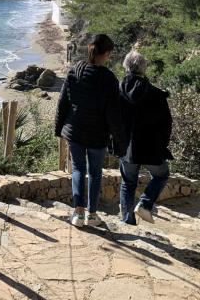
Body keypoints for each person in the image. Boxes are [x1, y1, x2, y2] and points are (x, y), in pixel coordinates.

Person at [55, 34, 126, 227]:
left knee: (78, 168)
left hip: (75, 131)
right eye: (109, 54)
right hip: (97, 135)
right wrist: (120, 141)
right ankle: (92, 215)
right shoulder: (109, 79)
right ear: (106, 54)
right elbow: (113, 114)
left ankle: (78, 213)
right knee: (95, 173)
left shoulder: (74, 71)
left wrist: (58, 128)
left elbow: (63, 103)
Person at [119, 50, 173, 224]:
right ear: (144, 69)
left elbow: (111, 118)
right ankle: (145, 203)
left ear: (126, 67)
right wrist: (162, 146)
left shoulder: (117, 90)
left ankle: (127, 220)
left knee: (128, 183)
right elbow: (167, 124)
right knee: (161, 175)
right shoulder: (157, 94)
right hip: (152, 148)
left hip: (127, 147)